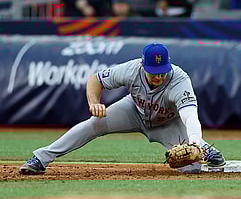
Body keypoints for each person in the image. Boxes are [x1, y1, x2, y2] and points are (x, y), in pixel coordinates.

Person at [19, 43, 226, 175]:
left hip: (168, 124)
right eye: (153, 72)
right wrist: (93, 102)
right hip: (134, 111)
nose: (158, 76)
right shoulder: (131, 69)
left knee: (191, 169)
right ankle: (41, 158)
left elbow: (190, 117)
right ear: (142, 65)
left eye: (162, 71)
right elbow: (95, 79)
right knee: (95, 123)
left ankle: (205, 148)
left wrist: (194, 144)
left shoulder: (179, 81)